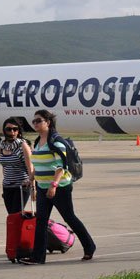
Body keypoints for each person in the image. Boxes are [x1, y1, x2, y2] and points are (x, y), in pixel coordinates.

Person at [19, 109, 96, 265]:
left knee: (70, 218)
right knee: (40, 222)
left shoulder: (56, 142)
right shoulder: (37, 142)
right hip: (42, 187)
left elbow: (61, 167)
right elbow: (39, 164)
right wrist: (31, 179)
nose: (35, 123)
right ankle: (38, 257)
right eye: (34, 121)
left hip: (59, 187)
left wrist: (53, 185)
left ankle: (89, 247)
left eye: (38, 120)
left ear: (48, 122)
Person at [0, 117, 34, 214]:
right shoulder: (2, 145)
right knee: (11, 215)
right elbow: (4, 166)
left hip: (21, 186)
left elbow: (30, 167)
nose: (12, 132)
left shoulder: (22, 145)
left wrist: (33, 187)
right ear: (4, 131)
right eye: (9, 129)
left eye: (15, 129)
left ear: (18, 131)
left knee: (16, 214)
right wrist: (5, 180)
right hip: (7, 186)